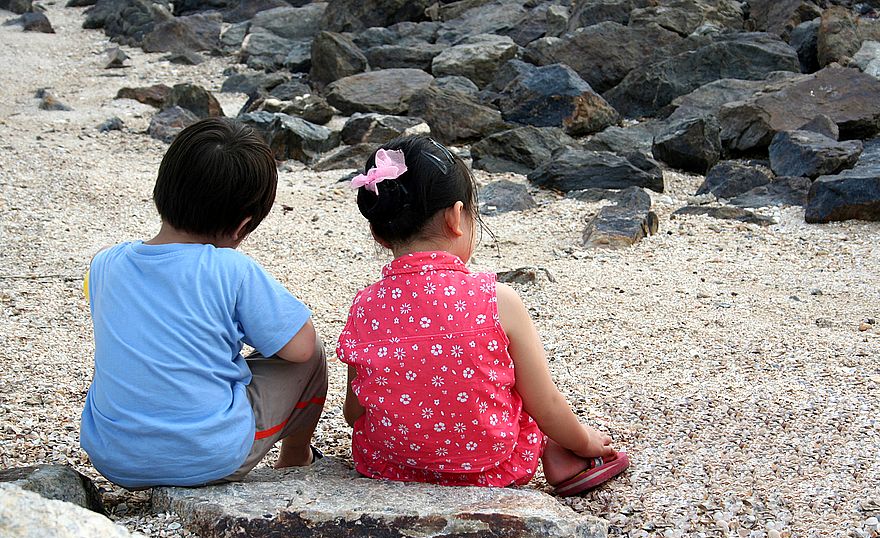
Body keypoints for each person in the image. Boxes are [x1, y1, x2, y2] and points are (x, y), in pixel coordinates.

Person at [336, 136, 629, 496]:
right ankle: (559, 455)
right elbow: (546, 403)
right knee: (519, 399)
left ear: (378, 231)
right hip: (491, 471)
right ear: (456, 217)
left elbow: (355, 413)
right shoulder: (497, 299)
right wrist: (585, 442)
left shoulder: (364, 306)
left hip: (390, 466)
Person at [80, 117, 327, 489]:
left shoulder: (104, 263)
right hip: (208, 456)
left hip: (113, 457)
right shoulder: (231, 268)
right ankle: (295, 455)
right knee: (314, 352)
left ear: (162, 189)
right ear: (243, 226)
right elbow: (300, 347)